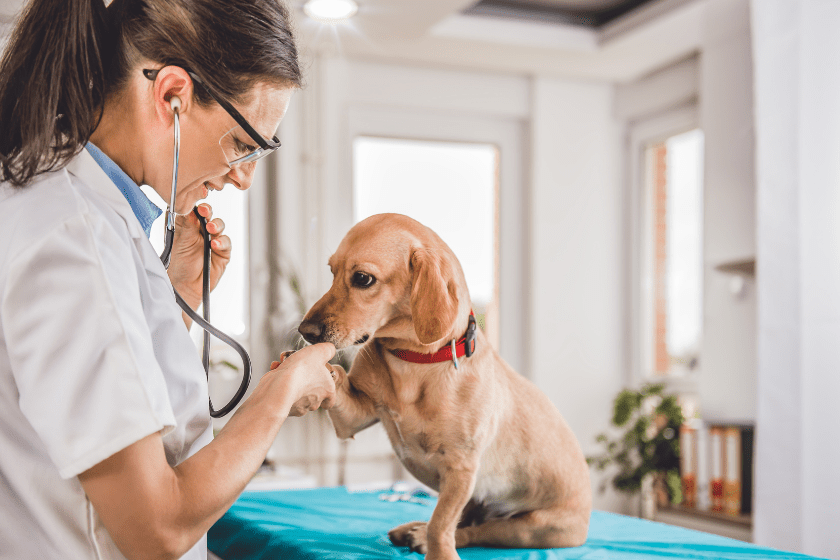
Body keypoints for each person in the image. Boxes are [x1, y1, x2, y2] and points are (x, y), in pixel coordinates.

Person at [0, 1, 336, 559]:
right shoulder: (74, 238)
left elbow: (96, 390)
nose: (244, 177)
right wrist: (282, 391)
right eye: (243, 143)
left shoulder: (66, 205)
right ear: (172, 95)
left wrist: (176, 294)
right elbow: (154, 528)